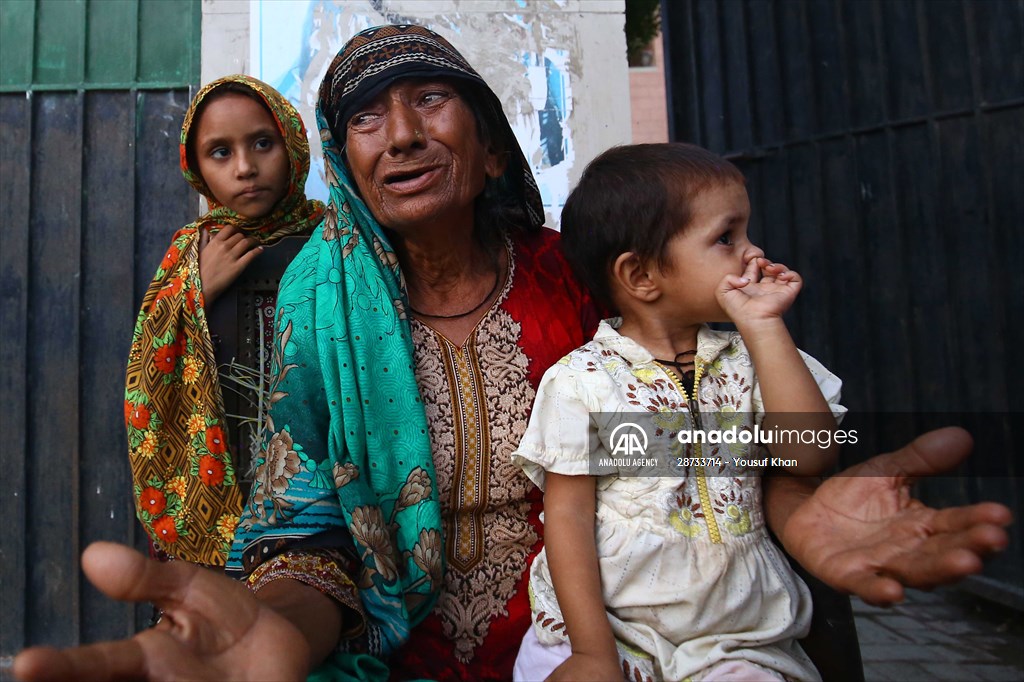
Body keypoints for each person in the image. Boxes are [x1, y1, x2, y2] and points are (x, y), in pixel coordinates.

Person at [13, 25, 1012, 682]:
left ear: (491, 146)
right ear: (343, 158)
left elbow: (690, 429)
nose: (400, 133)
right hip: (391, 657)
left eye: (431, 103)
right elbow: (304, 516)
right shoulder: (315, 311)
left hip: (604, 649)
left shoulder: (588, 284)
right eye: (365, 117)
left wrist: (787, 505)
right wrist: (279, 622)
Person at [512, 143, 846, 681]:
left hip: (733, 632)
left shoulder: (757, 359)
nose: (753, 251)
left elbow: (811, 457)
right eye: (726, 237)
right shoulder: (582, 382)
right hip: (603, 629)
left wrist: (764, 328)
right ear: (641, 276)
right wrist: (592, 652)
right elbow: (568, 520)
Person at [124, 75, 325, 567]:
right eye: (220, 152)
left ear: (293, 143)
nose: (245, 168)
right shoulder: (189, 254)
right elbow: (146, 373)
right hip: (226, 485)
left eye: (262, 143)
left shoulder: (334, 242)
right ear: (195, 167)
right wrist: (197, 290)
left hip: (323, 495)